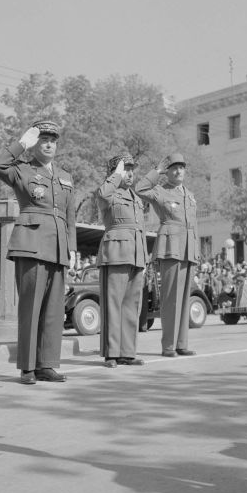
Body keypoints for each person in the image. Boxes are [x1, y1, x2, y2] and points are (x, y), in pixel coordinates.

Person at [0, 120, 77, 385]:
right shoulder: (22, 170)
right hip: (31, 242)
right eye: (43, 140)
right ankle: (27, 367)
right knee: (31, 308)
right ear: (35, 144)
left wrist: (72, 248)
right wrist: (21, 143)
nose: (49, 144)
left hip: (59, 245)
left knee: (53, 310)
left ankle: (46, 364)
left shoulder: (65, 176)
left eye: (52, 140)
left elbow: (70, 216)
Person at [135, 153, 200, 357]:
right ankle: (169, 346)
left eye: (181, 167)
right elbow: (139, 189)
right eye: (173, 168)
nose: (178, 171)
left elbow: (193, 225)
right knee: (171, 298)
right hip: (171, 247)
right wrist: (157, 171)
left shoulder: (188, 194)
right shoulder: (161, 191)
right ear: (168, 171)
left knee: (183, 299)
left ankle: (181, 343)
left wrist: (197, 251)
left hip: (188, 249)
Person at [96, 154, 148, 368]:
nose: (130, 173)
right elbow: (101, 195)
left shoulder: (135, 197)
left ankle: (127, 352)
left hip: (135, 254)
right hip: (116, 252)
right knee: (113, 304)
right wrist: (115, 175)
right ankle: (111, 352)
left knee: (131, 305)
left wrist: (144, 258)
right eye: (125, 169)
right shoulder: (109, 192)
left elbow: (140, 229)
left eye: (131, 170)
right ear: (114, 172)